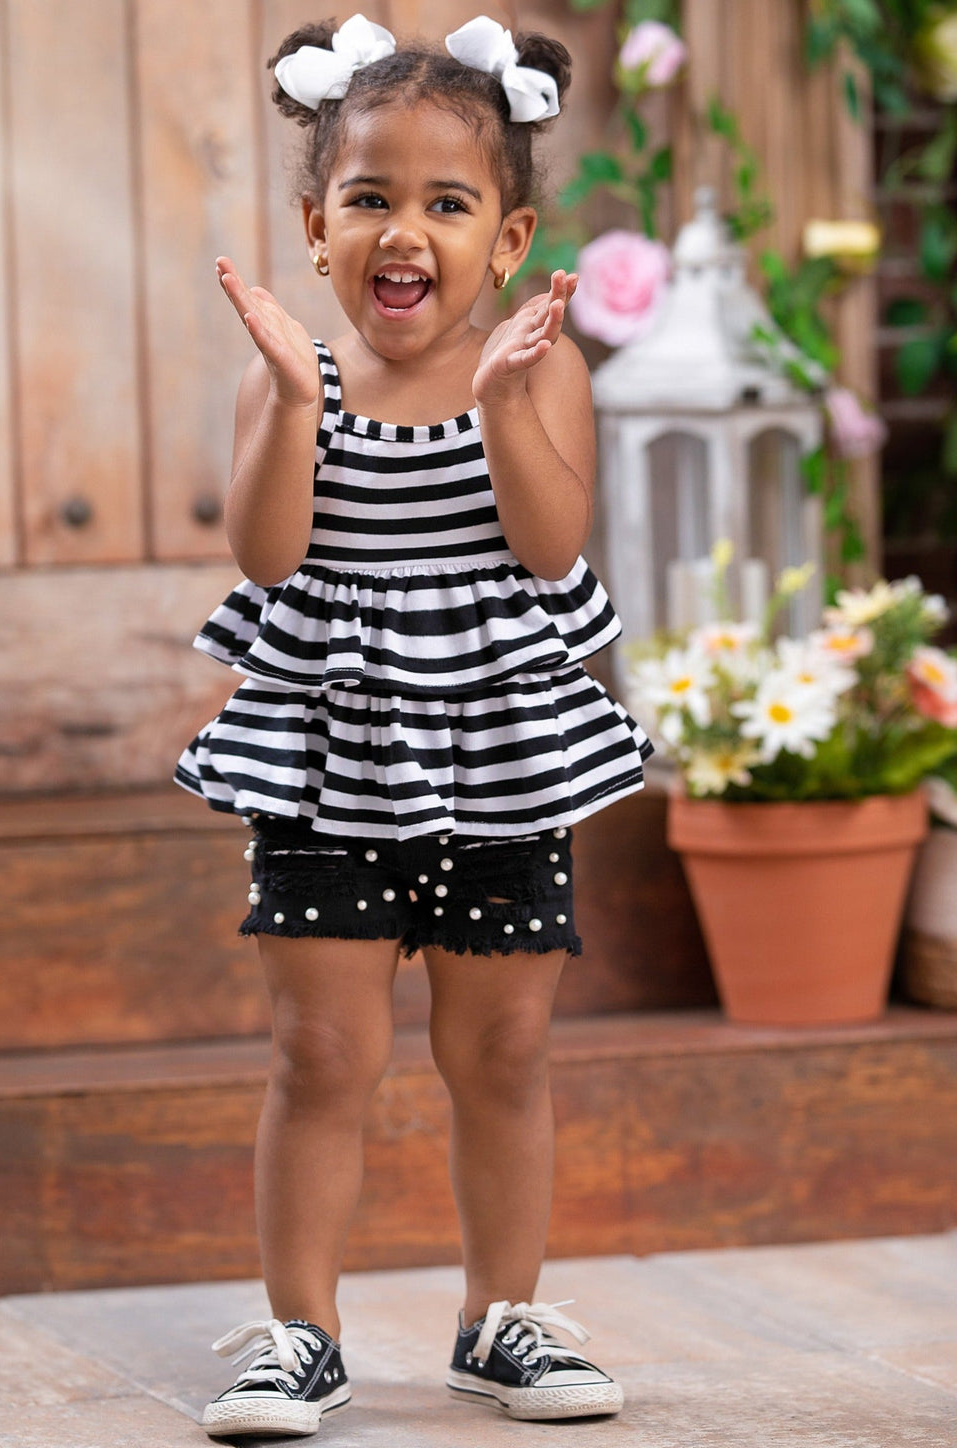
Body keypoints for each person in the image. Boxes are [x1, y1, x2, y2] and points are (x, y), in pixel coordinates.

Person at [174, 13, 652, 1438]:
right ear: (315, 229)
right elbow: (267, 556)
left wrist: (503, 403)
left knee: (501, 1053)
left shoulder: (539, 368)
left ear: (507, 240)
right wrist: (285, 396)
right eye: (369, 197)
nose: (405, 230)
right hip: (330, 767)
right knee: (319, 1055)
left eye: (448, 203)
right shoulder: (294, 381)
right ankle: (299, 1334)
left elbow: (551, 547)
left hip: (501, 764)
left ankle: (500, 1321)